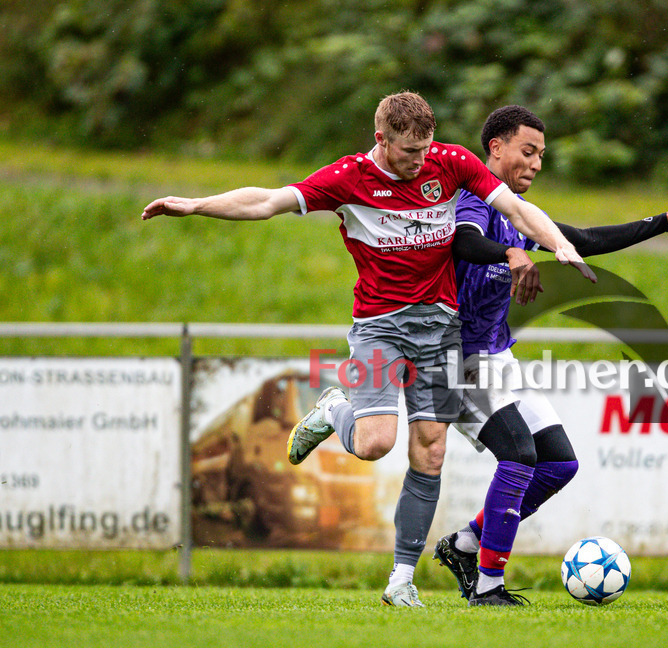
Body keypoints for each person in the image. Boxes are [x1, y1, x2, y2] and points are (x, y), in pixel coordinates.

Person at [141, 92, 597, 607]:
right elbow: (267, 201)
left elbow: (514, 208)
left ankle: (401, 581)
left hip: (443, 328)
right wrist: (196, 205)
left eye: (425, 148)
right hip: (380, 328)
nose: (420, 161)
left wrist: (558, 244)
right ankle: (336, 408)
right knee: (377, 442)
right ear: (381, 140)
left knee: (431, 451)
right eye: (408, 152)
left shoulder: (450, 162)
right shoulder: (348, 177)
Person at [433, 105, 668, 605]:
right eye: (528, 150)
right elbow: (464, 244)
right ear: (495, 148)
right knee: (519, 456)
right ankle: (489, 585)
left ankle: (465, 544)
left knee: (559, 465)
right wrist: (510, 255)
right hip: (455, 360)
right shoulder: (471, 201)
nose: (537, 163)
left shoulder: (518, 216)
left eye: (542, 154)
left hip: (497, 358)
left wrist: (663, 223)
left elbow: (580, 240)